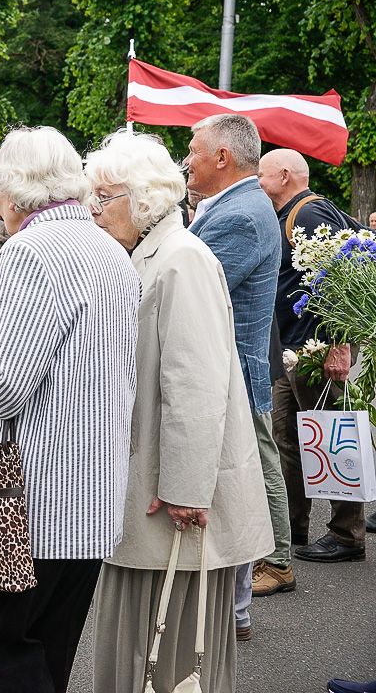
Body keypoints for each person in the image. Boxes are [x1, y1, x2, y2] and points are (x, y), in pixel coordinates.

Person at [0, 127, 139, 693]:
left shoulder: (30, 251)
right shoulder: (110, 250)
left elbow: (1, 390)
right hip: (95, 490)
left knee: (2, 635)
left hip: (38, 495)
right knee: (52, 643)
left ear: (13, 190)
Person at [86, 129, 272, 693]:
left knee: (164, 647)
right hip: (152, 490)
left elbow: (197, 385)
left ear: (140, 199)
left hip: (172, 501)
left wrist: (188, 488)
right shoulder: (157, 253)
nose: (93, 212)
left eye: (103, 198)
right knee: (146, 640)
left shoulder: (180, 259)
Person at [182, 114, 287, 641]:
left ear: (222, 157)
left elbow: (191, 293)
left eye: (194, 148)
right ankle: (233, 610)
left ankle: (232, 613)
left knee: (228, 493)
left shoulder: (240, 215)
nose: (186, 158)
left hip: (231, 377)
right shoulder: (235, 206)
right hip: (231, 373)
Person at [256, 148, 367, 562]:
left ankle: (346, 535)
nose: (257, 183)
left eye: (262, 176)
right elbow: (363, 241)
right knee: (289, 439)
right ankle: (292, 529)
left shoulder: (306, 214)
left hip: (317, 348)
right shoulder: (311, 210)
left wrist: (340, 344)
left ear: (284, 175)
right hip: (295, 350)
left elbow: (345, 273)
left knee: (333, 438)